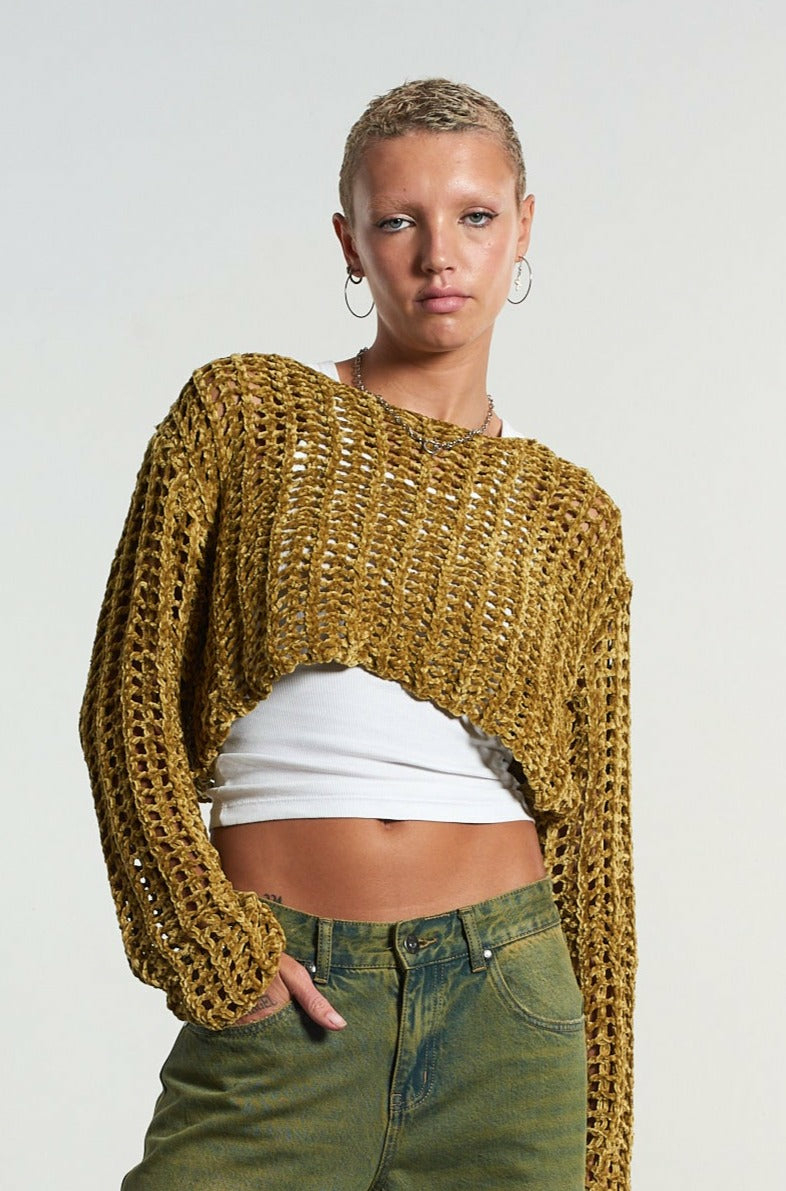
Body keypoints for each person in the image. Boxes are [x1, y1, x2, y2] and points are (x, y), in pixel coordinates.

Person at [80, 78, 634, 1190]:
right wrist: (216, 944)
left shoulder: (570, 515)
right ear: (349, 242)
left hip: (512, 1012)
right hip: (290, 997)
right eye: (398, 220)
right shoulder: (243, 417)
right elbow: (125, 709)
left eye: (475, 216)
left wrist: (603, 1139)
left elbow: (598, 842)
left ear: (524, 227)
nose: (440, 255)